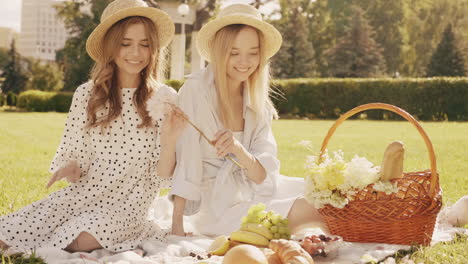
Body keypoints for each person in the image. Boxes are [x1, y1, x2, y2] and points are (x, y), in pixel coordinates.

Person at [0, 0, 185, 253]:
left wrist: (171, 138)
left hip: (129, 207)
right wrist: (72, 167)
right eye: (125, 43)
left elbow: (162, 176)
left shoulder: (164, 98)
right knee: (6, 233)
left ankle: (41, 248)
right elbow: (78, 154)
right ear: (111, 46)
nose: (136, 53)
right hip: (83, 195)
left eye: (144, 45)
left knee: (80, 240)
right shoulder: (86, 94)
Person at [169, 4, 326, 237]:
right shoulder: (197, 90)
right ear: (220, 51)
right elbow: (186, 159)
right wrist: (177, 224)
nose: (245, 61)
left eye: (253, 53)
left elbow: (264, 172)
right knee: (311, 209)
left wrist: (239, 151)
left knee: (324, 196)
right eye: (234, 52)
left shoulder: (256, 98)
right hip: (216, 207)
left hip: (253, 188)